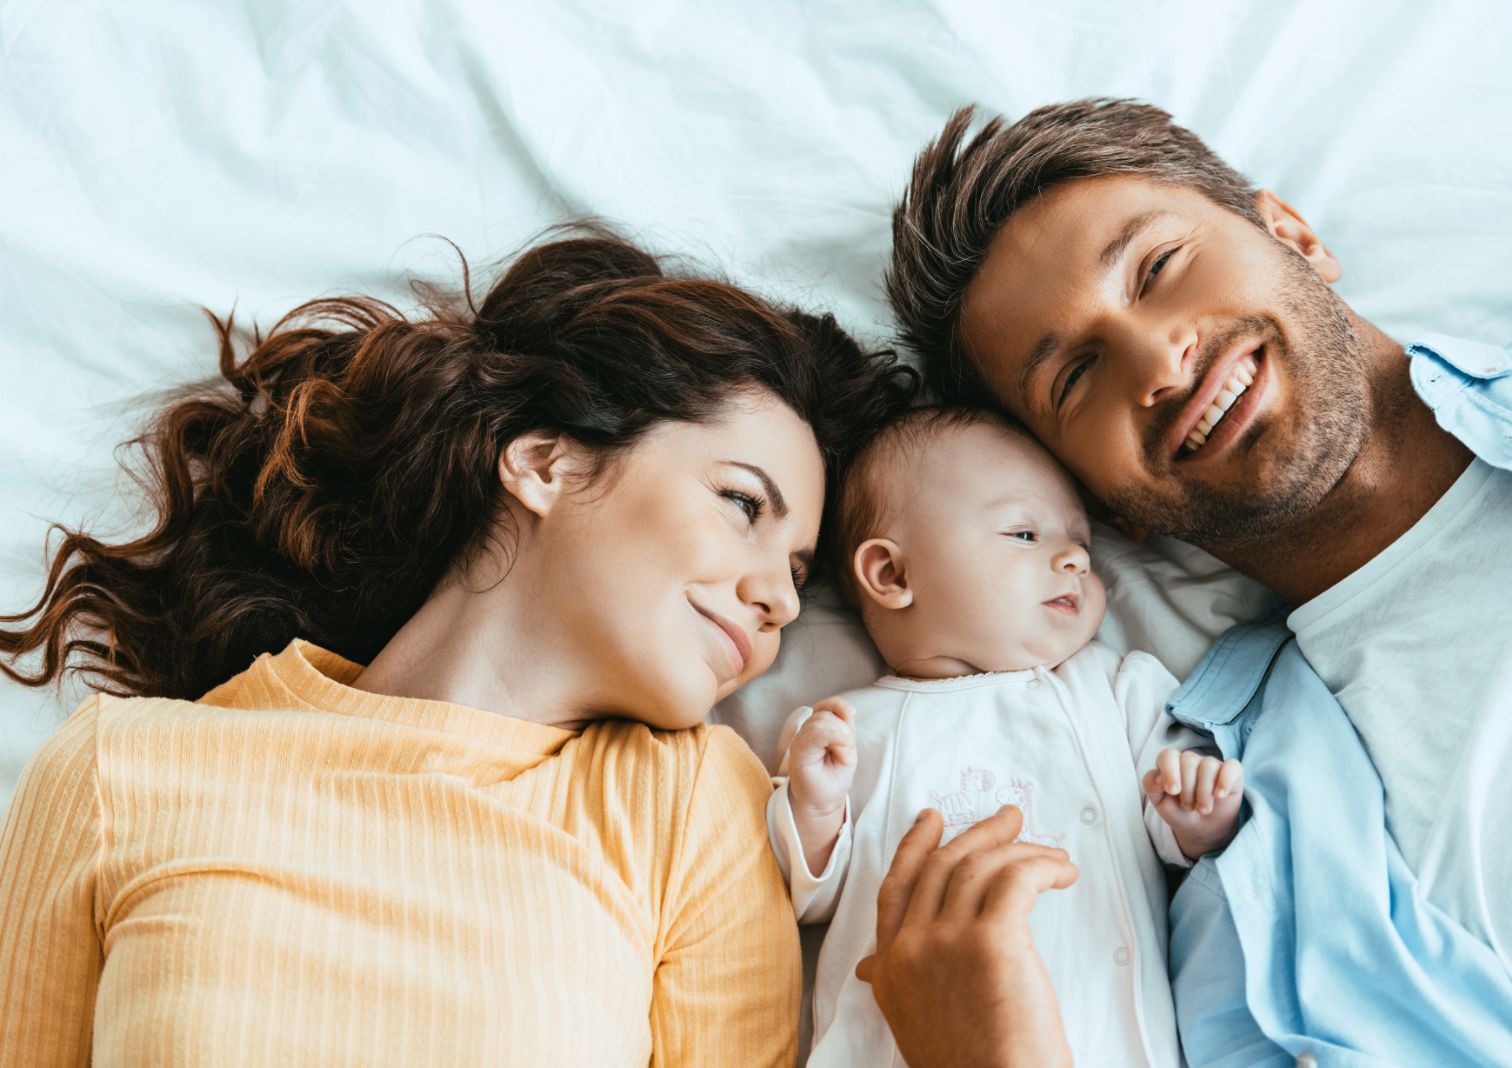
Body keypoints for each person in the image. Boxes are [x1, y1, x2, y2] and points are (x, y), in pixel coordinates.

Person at [0, 227, 917, 1066]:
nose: (779, 602)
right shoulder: (116, 769)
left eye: (800, 574)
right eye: (743, 505)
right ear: (545, 463)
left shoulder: (693, 805)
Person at [865, 97, 1512, 1064]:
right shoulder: (1251, 874)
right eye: (1077, 376)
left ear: (1290, 232)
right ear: (1103, 505)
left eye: (1158, 269)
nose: (1157, 360)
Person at [766, 406, 1243, 1067]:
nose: (1075, 555)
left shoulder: (1114, 688)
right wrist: (813, 809)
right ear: (893, 575)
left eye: (1082, 541)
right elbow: (797, 892)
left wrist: (1195, 820)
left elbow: (1170, 820)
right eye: (1024, 533)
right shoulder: (848, 730)